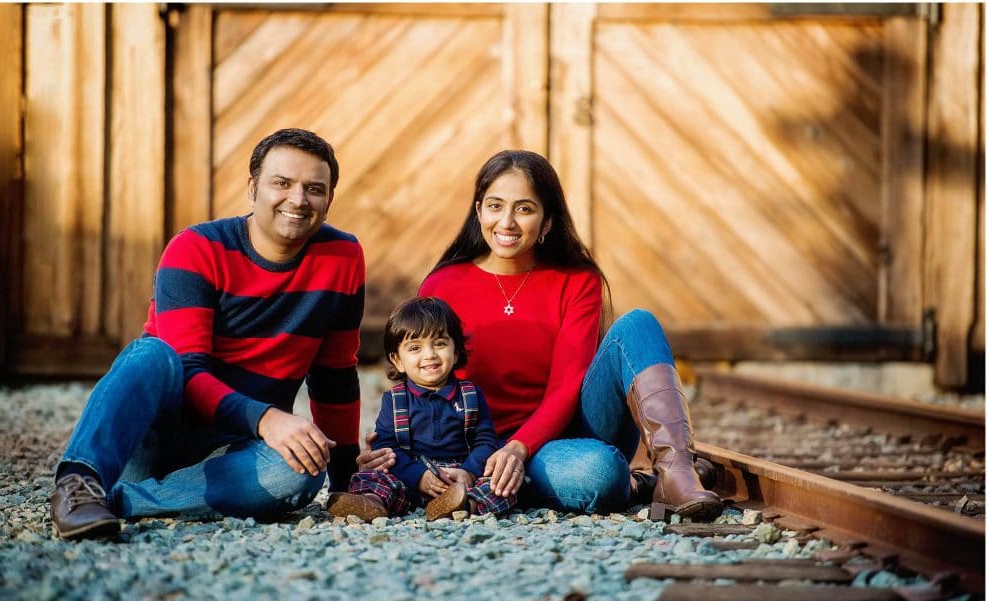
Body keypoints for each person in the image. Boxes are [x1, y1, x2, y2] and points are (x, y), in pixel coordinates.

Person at [358, 150, 722, 520]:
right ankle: (640, 484)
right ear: (479, 210)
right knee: (599, 474)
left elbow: (568, 384)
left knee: (638, 324)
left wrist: (520, 447)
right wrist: (391, 445)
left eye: (524, 209)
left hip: (561, 436)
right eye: (495, 206)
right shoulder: (442, 284)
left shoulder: (577, 280)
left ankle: (677, 471)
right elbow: (424, 377)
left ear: (547, 220)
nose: (507, 222)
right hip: (477, 452)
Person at [49, 128, 364, 540]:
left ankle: (120, 500)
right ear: (253, 189)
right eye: (282, 183)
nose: (298, 199)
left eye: (314, 188)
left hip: (236, 451)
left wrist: (345, 480)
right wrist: (267, 418)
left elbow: (334, 377)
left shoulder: (342, 256)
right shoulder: (196, 248)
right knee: (151, 355)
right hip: (153, 439)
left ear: (329, 199)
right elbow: (189, 371)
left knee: (303, 469)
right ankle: (79, 484)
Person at [327, 296, 516, 522]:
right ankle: (373, 503)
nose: (430, 355)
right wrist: (419, 477)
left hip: (459, 478)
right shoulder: (395, 399)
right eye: (415, 347)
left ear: (455, 352)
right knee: (374, 474)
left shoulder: (471, 395)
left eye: (440, 343)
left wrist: (469, 472)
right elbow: (386, 447)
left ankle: (466, 505)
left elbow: (486, 442)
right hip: (411, 478)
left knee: (503, 483)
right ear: (397, 360)